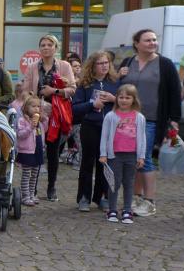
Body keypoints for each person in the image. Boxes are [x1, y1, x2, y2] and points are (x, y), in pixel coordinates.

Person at [118, 29, 181, 217]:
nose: (153, 43)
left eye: (154, 40)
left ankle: (150, 201)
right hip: (127, 119)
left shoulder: (165, 64)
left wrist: (174, 119)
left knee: (143, 158)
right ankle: (135, 198)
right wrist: (119, 75)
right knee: (132, 160)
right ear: (136, 43)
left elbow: (174, 92)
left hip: (151, 120)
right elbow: (119, 88)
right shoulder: (128, 62)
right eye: (148, 40)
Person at [20, 35, 75, 202]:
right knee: (36, 150)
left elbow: (72, 89)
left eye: (49, 45)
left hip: (56, 115)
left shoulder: (64, 66)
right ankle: (32, 189)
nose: (46, 47)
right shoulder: (33, 67)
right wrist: (33, 102)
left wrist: (54, 91)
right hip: (38, 114)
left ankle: (51, 187)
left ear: (55, 48)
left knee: (53, 152)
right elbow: (25, 90)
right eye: (43, 45)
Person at [73, 51, 119, 211]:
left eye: (106, 63)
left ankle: (102, 197)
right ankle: (84, 197)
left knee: (105, 162)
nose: (104, 66)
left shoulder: (115, 83)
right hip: (90, 126)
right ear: (93, 66)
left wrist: (114, 99)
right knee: (87, 162)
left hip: (110, 128)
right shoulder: (85, 84)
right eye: (100, 63)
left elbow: (127, 103)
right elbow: (75, 108)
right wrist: (92, 104)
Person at [100, 84, 146, 224]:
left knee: (129, 183)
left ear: (133, 99)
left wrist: (141, 156)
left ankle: (127, 210)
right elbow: (104, 136)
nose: (124, 100)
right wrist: (103, 154)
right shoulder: (110, 116)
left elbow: (142, 138)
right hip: (115, 156)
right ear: (116, 98)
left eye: (127, 98)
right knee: (114, 183)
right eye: (121, 97)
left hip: (132, 156)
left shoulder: (139, 117)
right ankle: (112, 210)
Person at [16, 96, 46, 206]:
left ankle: (32, 194)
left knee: (34, 175)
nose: (36, 108)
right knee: (26, 174)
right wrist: (30, 127)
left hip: (37, 151)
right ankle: (25, 196)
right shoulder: (22, 120)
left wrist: (44, 119)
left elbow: (44, 132)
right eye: (33, 106)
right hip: (27, 152)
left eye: (38, 106)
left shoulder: (40, 122)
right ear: (26, 108)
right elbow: (20, 135)